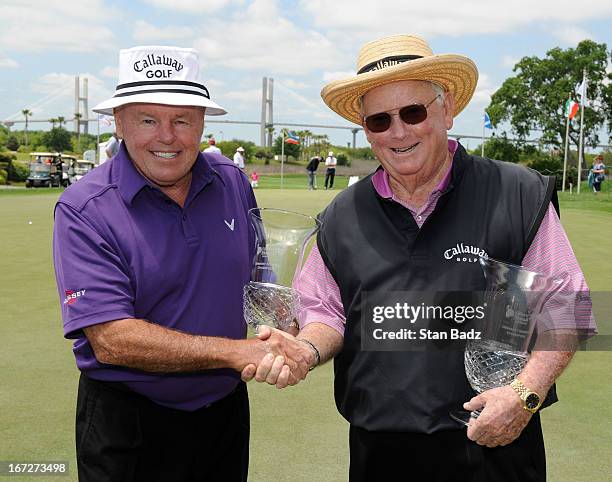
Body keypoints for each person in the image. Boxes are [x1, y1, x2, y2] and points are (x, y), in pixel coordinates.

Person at [242, 34, 595, 481]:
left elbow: (568, 304)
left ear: (446, 108)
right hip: (380, 452)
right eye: (379, 120)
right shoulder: (342, 216)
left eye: (413, 112)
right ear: (367, 129)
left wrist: (526, 393)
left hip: (495, 447)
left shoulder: (516, 193)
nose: (399, 132)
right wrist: (305, 350)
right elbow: (327, 313)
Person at [53, 45, 311, 482]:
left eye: (182, 120)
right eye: (148, 120)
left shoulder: (230, 180)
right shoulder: (84, 208)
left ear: (202, 124)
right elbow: (112, 340)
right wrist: (239, 352)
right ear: (119, 123)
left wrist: (284, 321)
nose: (167, 136)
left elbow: (259, 270)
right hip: (129, 423)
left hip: (224, 413)